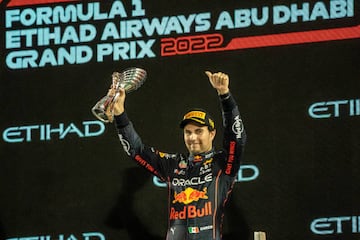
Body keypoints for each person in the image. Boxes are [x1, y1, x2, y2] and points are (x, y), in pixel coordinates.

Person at [108, 70, 246, 240]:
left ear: (212, 134)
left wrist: (225, 95)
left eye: (198, 131)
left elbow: (236, 138)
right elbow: (136, 150)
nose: (192, 137)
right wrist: (120, 113)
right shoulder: (173, 164)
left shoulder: (223, 164)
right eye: (188, 132)